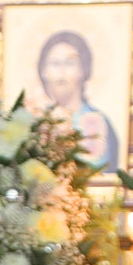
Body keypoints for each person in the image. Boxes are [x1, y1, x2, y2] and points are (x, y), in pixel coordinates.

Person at [35, 31, 119, 173]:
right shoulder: (36, 121)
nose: (61, 71)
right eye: (54, 63)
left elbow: (105, 170)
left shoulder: (98, 122)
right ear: (43, 72)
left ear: (83, 70)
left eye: (69, 63)